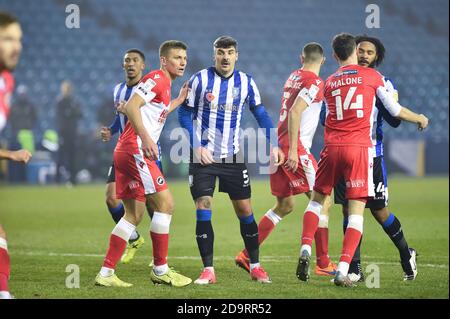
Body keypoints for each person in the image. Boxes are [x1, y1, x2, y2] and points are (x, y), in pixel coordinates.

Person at [296, 33, 428, 287]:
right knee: (349, 208)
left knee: (379, 211)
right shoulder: (371, 80)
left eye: (370, 52)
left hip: (369, 155)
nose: (365, 55)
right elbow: (395, 114)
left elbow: (393, 118)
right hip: (358, 151)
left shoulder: (378, 82)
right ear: (354, 52)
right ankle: (352, 268)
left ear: (376, 56)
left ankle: (405, 253)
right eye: (361, 50)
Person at [178, 36, 284, 285]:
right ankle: (208, 270)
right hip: (202, 156)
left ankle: (255, 265)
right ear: (214, 55)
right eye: (221, 52)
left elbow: (260, 113)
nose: (225, 57)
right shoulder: (200, 80)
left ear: (237, 55)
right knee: (203, 206)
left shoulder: (246, 82)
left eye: (230, 52)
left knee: (245, 210)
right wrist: (196, 146)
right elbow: (184, 113)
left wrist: (274, 145)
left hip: (233, 156)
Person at [234, 42, 337, 277]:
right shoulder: (315, 82)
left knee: (285, 206)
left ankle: (248, 254)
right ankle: (322, 261)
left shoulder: (293, 77)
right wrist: (293, 152)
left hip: (277, 146)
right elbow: (295, 112)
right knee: (324, 200)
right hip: (294, 149)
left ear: (301, 57)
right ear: (323, 61)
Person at [95, 40, 191, 288]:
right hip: (136, 150)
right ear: (163, 60)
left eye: (184, 58)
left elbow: (154, 112)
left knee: (133, 214)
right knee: (166, 205)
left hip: (126, 151)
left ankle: (105, 274)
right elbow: (132, 106)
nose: (182, 62)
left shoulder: (166, 84)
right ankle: (160, 270)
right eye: (176, 57)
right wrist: (147, 138)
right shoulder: (158, 78)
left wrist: (178, 101)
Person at [100, 49, 160, 264]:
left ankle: (159, 257)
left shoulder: (148, 89)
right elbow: (120, 119)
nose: (131, 64)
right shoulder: (117, 90)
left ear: (143, 66)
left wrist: (130, 111)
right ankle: (134, 238)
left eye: (135, 60)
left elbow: (153, 118)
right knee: (110, 198)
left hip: (145, 151)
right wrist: (111, 129)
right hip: (124, 152)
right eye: (127, 60)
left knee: (154, 205)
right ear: (122, 65)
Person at [0, 10, 32, 299]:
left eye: (18, 39)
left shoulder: (6, 81)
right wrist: (10, 155)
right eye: (8, 39)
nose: (16, 46)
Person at [55, 80, 82, 185]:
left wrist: (71, 112)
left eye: (69, 89)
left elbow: (80, 114)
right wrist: (71, 112)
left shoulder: (74, 101)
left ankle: (73, 180)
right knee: (60, 158)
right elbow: (60, 118)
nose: (67, 91)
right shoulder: (60, 102)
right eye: (66, 89)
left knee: (72, 158)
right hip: (63, 133)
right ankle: (57, 180)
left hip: (72, 133)